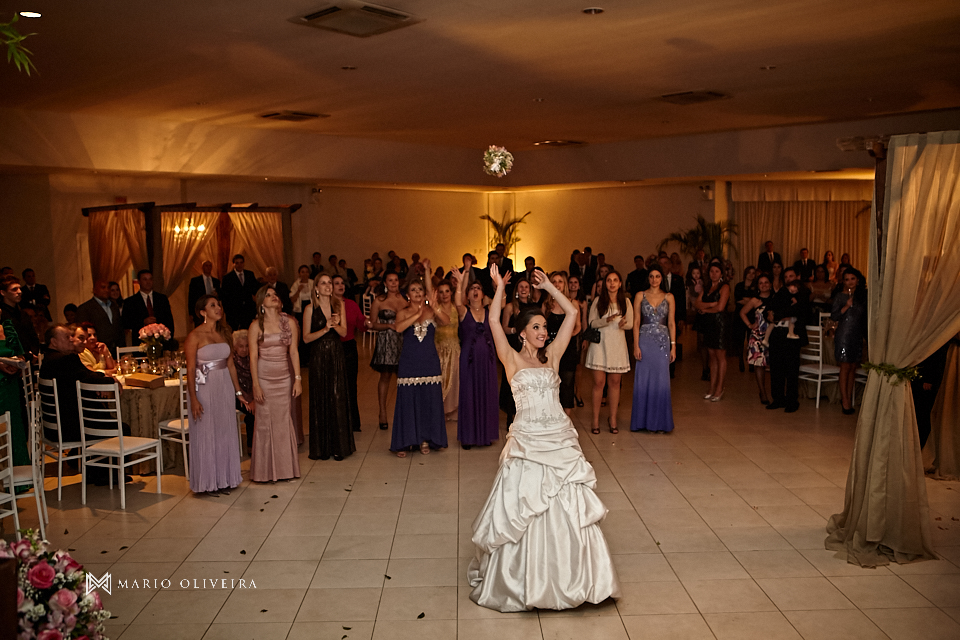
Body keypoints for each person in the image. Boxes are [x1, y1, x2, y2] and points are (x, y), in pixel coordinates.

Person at [468, 264, 621, 612]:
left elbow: (572, 312)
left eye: (543, 327)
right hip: (527, 440)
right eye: (535, 327)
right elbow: (493, 322)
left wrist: (551, 288)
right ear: (522, 333)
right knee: (525, 506)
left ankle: (575, 578)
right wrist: (499, 288)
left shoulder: (551, 356)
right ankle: (527, 580)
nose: (542, 331)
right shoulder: (510, 359)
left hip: (558, 436)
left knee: (568, 503)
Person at [185, 295, 246, 496]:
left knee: (224, 430)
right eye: (213, 306)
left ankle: (226, 478)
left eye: (218, 304)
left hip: (224, 386)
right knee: (206, 431)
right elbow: (191, 369)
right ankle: (207, 481)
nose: (218, 308)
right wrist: (193, 398)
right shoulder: (194, 336)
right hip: (205, 387)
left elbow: (230, 365)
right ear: (203, 312)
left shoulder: (224, 333)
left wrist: (238, 392)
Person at [389, 277, 449, 456]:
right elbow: (398, 329)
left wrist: (434, 306)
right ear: (408, 295)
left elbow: (446, 320)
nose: (417, 293)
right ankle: (406, 441)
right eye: (413, 290)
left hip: (429, 360)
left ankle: (425, 439)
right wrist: (417, 314)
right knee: (408, 400)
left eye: (419, 290)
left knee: (428, 400)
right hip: (409, 361)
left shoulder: (432, 311)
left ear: (424, 293)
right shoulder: (402, 312)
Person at [248, 286, 302, 482]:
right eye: (269, 295)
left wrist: (297, 379)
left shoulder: (289, 322)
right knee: (263, 422)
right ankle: (264, 471)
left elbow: (294, 352)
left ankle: (286, 469)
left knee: (283, 420)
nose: (273, 297)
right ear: (262, 302)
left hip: (284, 376)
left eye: (275, 295)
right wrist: (256, 384)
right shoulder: (255, 326)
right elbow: (253, 357)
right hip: (263, 376)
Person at [303, 274, 355, 460]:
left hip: (336, 354)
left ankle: (339, 446)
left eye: (329, 283)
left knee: (337, 395)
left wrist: (335, 324)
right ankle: (322, 448)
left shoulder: (338, 306)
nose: (327, 286)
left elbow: (344, 332)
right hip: (318, 355)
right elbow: (306, 338)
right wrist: (325, 328)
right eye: (323, 283)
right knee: (321, 395)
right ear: (316, 288)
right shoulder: (310, 309)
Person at [451, 262, 499, 449]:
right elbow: (456, 301)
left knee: (486, 393)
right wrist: (460, 283)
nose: (476, 291)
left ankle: (485, 434)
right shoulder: (464, 311)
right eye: (472, 289)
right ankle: (469, 436)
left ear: (483, 292)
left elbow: (500, 302)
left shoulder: (489, 312)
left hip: (487, 359)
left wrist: (497, 284)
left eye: (478, 288)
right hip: (469, 360)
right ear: (468, 294)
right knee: (469, 395)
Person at [585, 270, 633, 434]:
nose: (612, 283)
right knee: (599, 383)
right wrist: (606, 321)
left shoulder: (625, 301)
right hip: (600, 346)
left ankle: (613, 418)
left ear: (620, 283)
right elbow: (591, 323)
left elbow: (631, 323)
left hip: (617, 346)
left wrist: (623, 325)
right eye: (609, 280)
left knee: (614, 383)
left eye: (615, 280)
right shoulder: (598, 301)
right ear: (605, 284)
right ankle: (595, 419)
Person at [630, 266, 676, 433]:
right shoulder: (639, 296)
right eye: (651, 276)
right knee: (644, 380)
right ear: (648, 278)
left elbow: (671, 323)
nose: (654, 279)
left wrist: (673, 346)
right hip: (645, 340)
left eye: (657, 276)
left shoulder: (669, 297)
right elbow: (636, 322)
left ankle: (660, 423)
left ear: (661, 278)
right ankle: (643, 421)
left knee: (661, 380)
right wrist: (636, 345)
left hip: (663, 342)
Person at [766, 267, 812, 413]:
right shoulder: (781, 292)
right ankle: (778, 398)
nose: (788, 279)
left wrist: (778, 314)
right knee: (776, 368)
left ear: (797, 276)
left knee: (791, 370)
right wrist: (772, 314)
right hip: (778, 334)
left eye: (791, 276)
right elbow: (770, 308)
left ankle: (792, 400)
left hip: (793, 336)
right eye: (785, 277)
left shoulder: (803, 292)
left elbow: (798, 310)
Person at [499, 277, 541, 425]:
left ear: (530, 290)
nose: (523, 289)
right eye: (521, 287)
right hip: (514, 346)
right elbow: (503, 327)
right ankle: (511, 414)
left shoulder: (533, 307)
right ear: (517, 290)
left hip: (530, 346)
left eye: (526, 287)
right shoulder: (510, 307)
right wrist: (515, 330)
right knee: (512, 380)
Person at [366, 271, 406, 430]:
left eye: (396, 280)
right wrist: (388, 326)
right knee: (385, 376)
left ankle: (403, 412)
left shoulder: (405, 299)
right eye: (390, 280)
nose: (394, 283)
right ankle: (382, 412)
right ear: (385, 283)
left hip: (403, 341)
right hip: (386, 341)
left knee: (403, 378)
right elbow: (372, 324)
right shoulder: (378, 301)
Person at [831, 268, 868, 415]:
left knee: (853, 366)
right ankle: (845, 400)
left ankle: (849, 398)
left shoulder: (862, 296)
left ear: (858, 280)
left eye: (852, 278)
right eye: (847, 279)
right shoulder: (840, 296)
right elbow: (834, 316)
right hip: (844, 335)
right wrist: (846, 306)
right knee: (845, 367)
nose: (850, 282)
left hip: (857, 334)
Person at [544, 272, 581, 415]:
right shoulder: (546, 305)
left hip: (567, 349)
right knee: (550, 383)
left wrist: (566, 336)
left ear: (564, 284)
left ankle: (566, 420)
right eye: (554, 281)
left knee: (567, 384)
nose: (557, 284)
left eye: (560, 281)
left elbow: (578, 326)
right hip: (550, 349)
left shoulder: (572, 303)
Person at [695, 261, 730, 401]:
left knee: (720, 355)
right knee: (711, 356)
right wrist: (710, 304)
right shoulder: (707, 286)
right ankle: (711, 387)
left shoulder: (725, 286)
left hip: (720, 324)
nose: (713, 274)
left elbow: (720, 307)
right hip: (709, 324)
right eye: (711, 271)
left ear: (721, 273)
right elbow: (697, 303)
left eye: (716, 271)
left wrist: (704, 309)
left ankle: (719, 388)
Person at [333, 274, 365, 431]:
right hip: (332, 348)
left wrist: (368, 322)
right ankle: (336, 421)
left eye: (342, 283)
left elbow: (361, 324)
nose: (341, 286)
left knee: (351, 385)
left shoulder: (351, 304)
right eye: (336, 283)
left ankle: (353, 422)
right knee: (334, 386)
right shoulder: (326, 305)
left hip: (349, 347)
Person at [739, 274, 775, 405]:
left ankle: (775, 392)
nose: (764, 285)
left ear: (770, 284)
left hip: (773, 335)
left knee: (773, 364)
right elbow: (742, 312)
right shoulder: (755, 300)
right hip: (758, 335)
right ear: (758, 286)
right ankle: (763, 392)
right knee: (759, 364)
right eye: (761, 283)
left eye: (766, 282)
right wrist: (749, 325)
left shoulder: (776, 298)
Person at [0, 318, 29, 465]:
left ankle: (18, 474)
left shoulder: (7, 327)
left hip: (10, 385)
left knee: (14, 424)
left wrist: (17, 363)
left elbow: (20, 354)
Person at [123, 269, 176, 347]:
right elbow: (126, 322)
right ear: (139, 281)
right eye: (145, 279)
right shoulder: (130, 301)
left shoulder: (162, 299)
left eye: (150, 279)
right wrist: (143, 321)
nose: (148, 282)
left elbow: (169, 320)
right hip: (141, 343)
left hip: (161, 342)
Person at [434, 279, 460, 419]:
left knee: (454, 379)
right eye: (441, 292)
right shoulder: (435, 308)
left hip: (454, 348)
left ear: (451, 293)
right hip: (438, 348)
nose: (444, 295)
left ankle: (453, 412)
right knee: (440, 379)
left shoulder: (457, 307)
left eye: (447, 291)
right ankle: (439, 411)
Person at [75, 280, 124, 355]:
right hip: (96, 350)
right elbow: (82, 331)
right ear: (94, 290)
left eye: (108, 288)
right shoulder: (85, 308)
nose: (106, 290)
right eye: (103, 287)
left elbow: (119, 327)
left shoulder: (114, 306)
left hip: (116, 349)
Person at [1, 276, 40, 356]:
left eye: (19, 288)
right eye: (14, 289)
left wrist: (32, 353)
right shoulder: (1, 314)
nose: (19, 292)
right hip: (10, 359)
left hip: (29, 358)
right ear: (3, 293)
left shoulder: (23, 314)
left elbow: (33, 337)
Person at [220, 254, 259, 331]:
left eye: (241, 262)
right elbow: (224, 296)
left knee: (249, 331)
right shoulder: (227, 278)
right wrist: (228, 311)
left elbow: (255, 289)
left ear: (244, 263)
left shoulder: (250, 274)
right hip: (234, 311)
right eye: (237, 263)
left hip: (248, 310)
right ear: (233, 264)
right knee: (234, 333)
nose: (239, 265)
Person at [232, 330, 256, 451]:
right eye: (241, 346)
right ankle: (251, 446)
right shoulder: (231, 362)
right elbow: (234, 384)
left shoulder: (252, 359)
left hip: (252, 395)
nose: (244, 349)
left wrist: (253, 399)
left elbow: (255, 381)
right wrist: (247, 400)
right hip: (236, 395)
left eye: (247, 346)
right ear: (235, 347)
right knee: (251, 412)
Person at [188, 261, 220, 327]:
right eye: (206, 266)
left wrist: (217, 294)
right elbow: (191, 297)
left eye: (210, 266)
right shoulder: (195, 281)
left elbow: (221, 295)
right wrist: (191, 313)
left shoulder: (216, 281)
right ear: (202, 267)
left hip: (213, 309)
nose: (208, 268)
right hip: (200, 309)